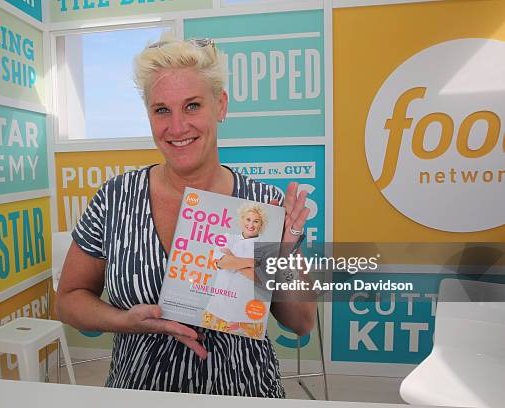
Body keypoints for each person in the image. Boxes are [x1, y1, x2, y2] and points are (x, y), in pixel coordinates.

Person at [55, 32, 316, 397]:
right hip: (140, 391)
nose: (176, 127)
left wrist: (282, 255)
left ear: (220, 106)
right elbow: (68, 298)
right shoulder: (115, 197)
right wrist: (123, 321)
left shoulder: (263, 203)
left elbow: (301, 323)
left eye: (192, 105)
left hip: (244, 391)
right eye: (162, 110)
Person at [203, 204, 269, 338]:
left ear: (261, 224)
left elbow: (259, 279)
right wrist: (252, 262)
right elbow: (221, 263)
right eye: (248, 219)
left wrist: (232, 260)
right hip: (216, 310)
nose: (251, 224)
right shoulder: (227, 238)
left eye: (256, 221)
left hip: (246, 317)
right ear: (242, 219)